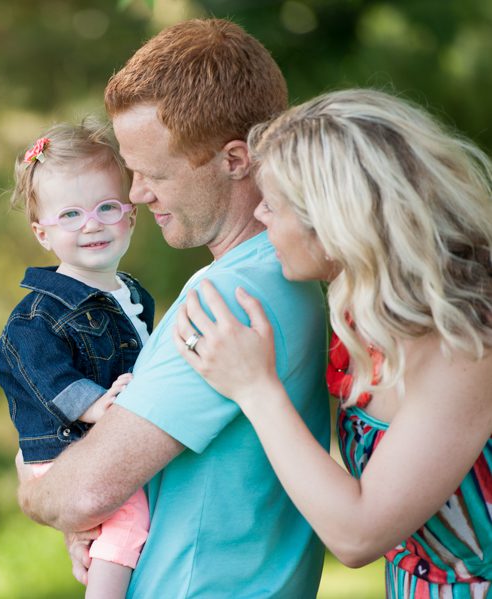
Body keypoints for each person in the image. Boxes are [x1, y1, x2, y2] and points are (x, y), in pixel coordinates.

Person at [15, 19, 331, 597]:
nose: (135, 194)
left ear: (235, 159)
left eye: (153, 172)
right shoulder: (282, 274)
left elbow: (86, 490)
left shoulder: (231, 299)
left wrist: (33, 489)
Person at [173, 88, 492, 598]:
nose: (259, 217)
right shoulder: (361, 311)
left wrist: (255, 389)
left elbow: (357, 532)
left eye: (273, 206)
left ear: (335, 220)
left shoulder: (468, 343)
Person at [0, 120, 155, 598]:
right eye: (71, 215)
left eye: (107, 207)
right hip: (62, 447)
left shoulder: (134, 294)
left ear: (131, 215)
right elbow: (44, 375)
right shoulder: (38, 316)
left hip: (95, 440)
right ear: (42, 233)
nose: (92, 224)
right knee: (128, 518)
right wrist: (98, 406)